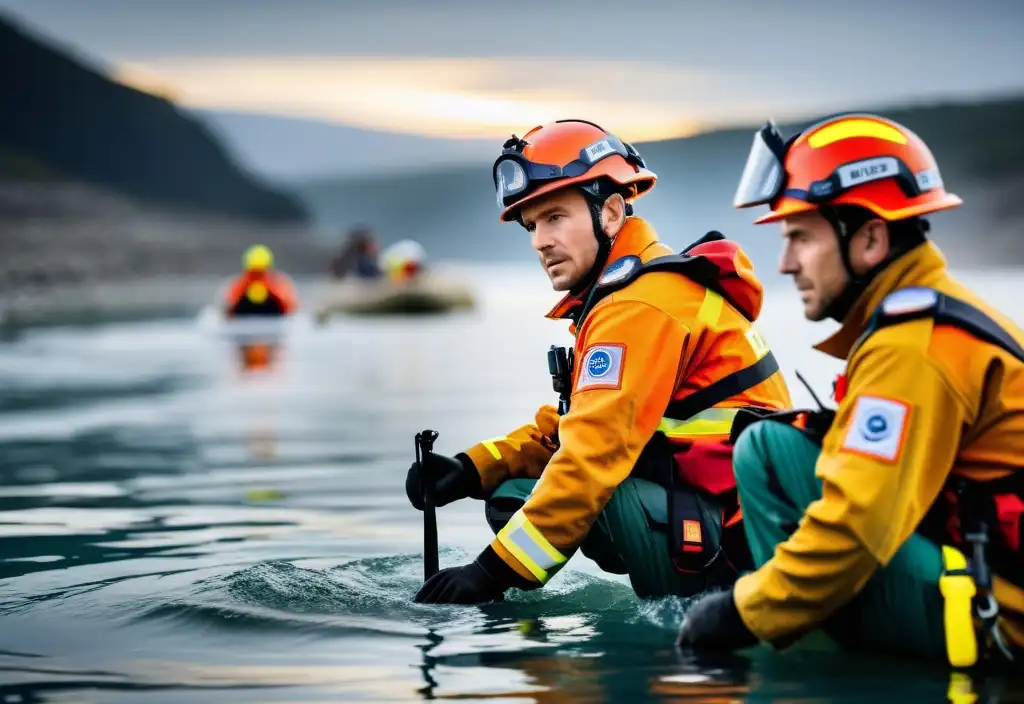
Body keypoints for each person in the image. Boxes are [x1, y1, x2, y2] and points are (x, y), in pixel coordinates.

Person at [676, 112, 1024, 669]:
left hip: (995, 621)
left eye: (801, 238)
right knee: (773, 444)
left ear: (870, 239)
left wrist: (743, 614)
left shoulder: (911, 349)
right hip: (987, 578)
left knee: (768, 457)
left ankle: (803, 673)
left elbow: (858, 526)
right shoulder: (933, 319)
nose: (786, 264)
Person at [406, 119, 792, 605]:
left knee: (543, 491)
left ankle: (691, 613)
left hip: (743, 543)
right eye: (532, 226)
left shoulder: (638, 306)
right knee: (511, 489)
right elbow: (578, 425)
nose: (539, 241)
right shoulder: (637, 293)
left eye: (554, 217)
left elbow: (589, 456)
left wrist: (489, 573)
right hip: (744, 523)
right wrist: (471, 469)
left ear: (609, 212)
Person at [223, 244, 299, 317]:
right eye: (254, 273)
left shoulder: (278, 283)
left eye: (260, 273)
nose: (257, 278)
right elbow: (228, 307)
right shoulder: (239, 284)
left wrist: (273, 293)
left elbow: (290, 307)